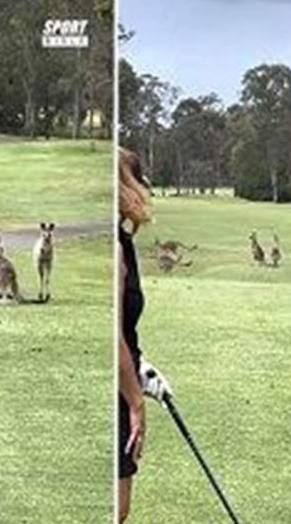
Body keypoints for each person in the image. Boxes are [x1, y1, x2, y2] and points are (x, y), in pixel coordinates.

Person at [117, 148, 172, 522]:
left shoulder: (121, 242)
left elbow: (122, 327)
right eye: (138, 178)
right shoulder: (115, 248)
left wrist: (140, 366)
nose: (146, 188)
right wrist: (136, 402)